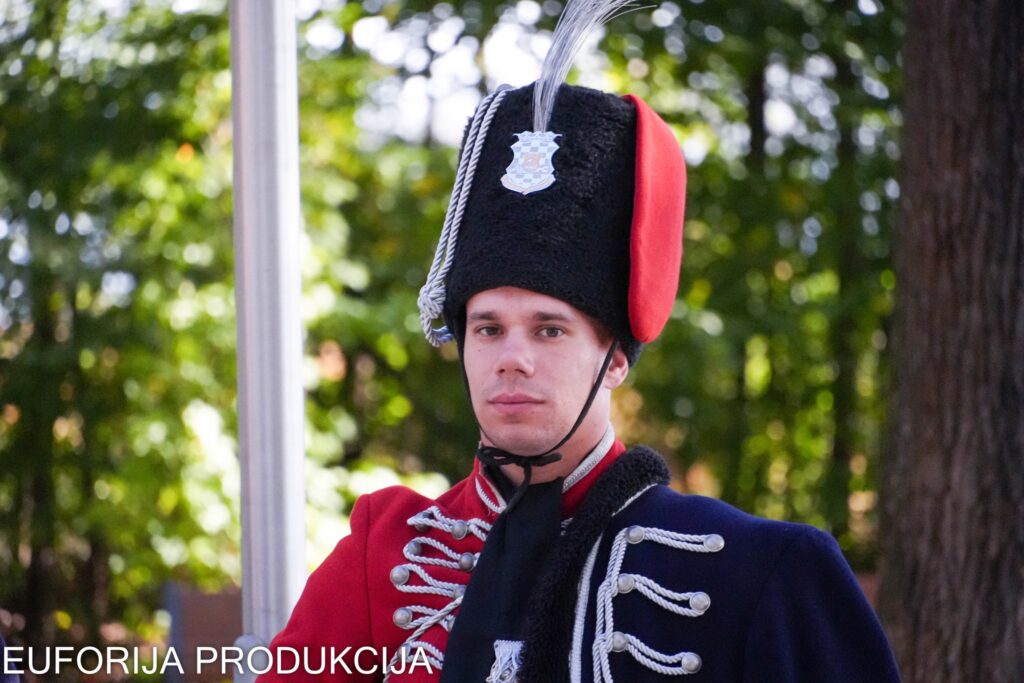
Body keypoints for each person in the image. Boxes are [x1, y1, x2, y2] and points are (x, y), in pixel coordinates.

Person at [258, 0, 902, 680]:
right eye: (488, 327)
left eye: (550, 328)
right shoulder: (381, 554)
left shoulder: (765, 572)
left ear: (616, 357)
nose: (512, 355)